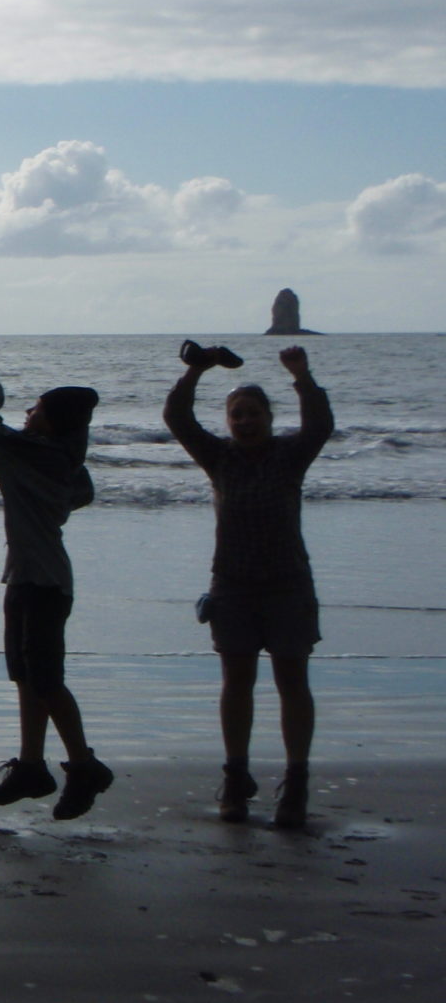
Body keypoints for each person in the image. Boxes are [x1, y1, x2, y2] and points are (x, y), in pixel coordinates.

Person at [166, 341, 333, 828]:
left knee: (292, 683)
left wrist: (301, 376)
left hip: (288, 585)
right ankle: (236, 778)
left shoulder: (290, 455)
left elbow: (320, 425)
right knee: (236, 683)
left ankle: (295, 784)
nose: (244, 421)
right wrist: (195, 371)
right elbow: (177, 418)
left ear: (268, 417)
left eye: (253, 413)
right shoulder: (219, 457)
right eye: (236, 414)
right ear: (229, 421)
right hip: (233, 587)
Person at [0, 368, 114, 819]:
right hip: (25, 576)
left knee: (46, 679)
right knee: (26, 675)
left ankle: (85, 766)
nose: (29, 412)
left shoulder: (34, 455)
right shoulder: (59, 459)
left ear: (51, 422)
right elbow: (82, 493)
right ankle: (31, 764)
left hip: (44, 583)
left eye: (38, 408)